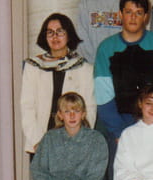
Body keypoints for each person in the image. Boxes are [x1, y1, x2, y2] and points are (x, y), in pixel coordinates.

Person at [94, 0, 153, 143]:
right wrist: (119, 132)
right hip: (116, 128)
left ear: (145, 17)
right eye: (128, 12)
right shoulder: (106, 48)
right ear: (120, 14)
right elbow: (103, 96)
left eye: (138, 13)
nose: (133, 17)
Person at [20, 13, 96, 155]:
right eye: (50, 32)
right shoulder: (33, 67)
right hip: (40, 142)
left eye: (60, 32)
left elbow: (90, 109)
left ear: (69, 35)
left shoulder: (84, 68)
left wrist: (79, 140)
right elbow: (27, 107)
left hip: (73, 142)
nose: (55, 37)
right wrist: (38, 142)